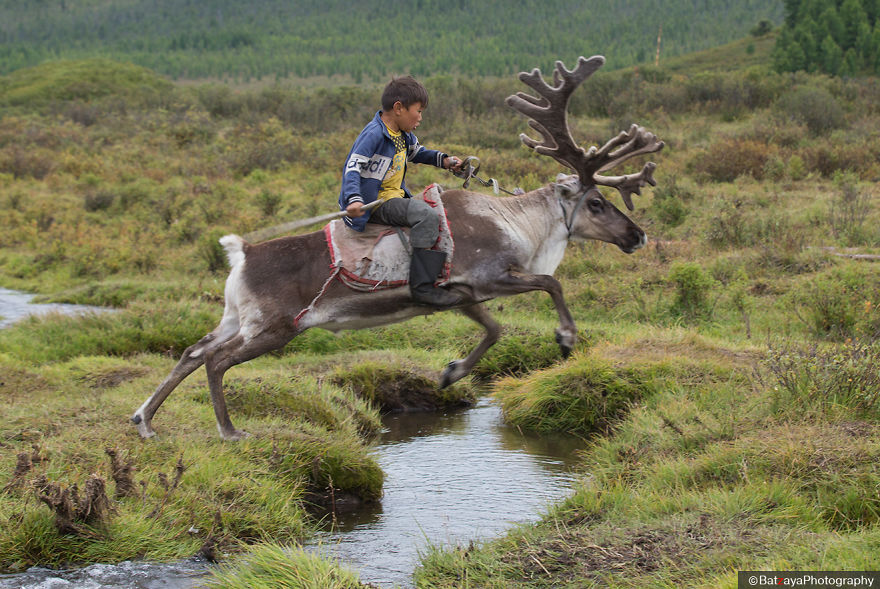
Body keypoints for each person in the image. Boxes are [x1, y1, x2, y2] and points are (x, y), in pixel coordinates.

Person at [338, 75, 464, 307]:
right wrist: (353, 199)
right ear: (399, 108)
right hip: (376, 202)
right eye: (418, 111)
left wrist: (444, 161)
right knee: (427, 216)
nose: (420, 118)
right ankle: (422, 288)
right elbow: (352, 167)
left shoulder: (402, 135)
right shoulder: (374, 134)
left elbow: (418, 153)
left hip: (393, 195)